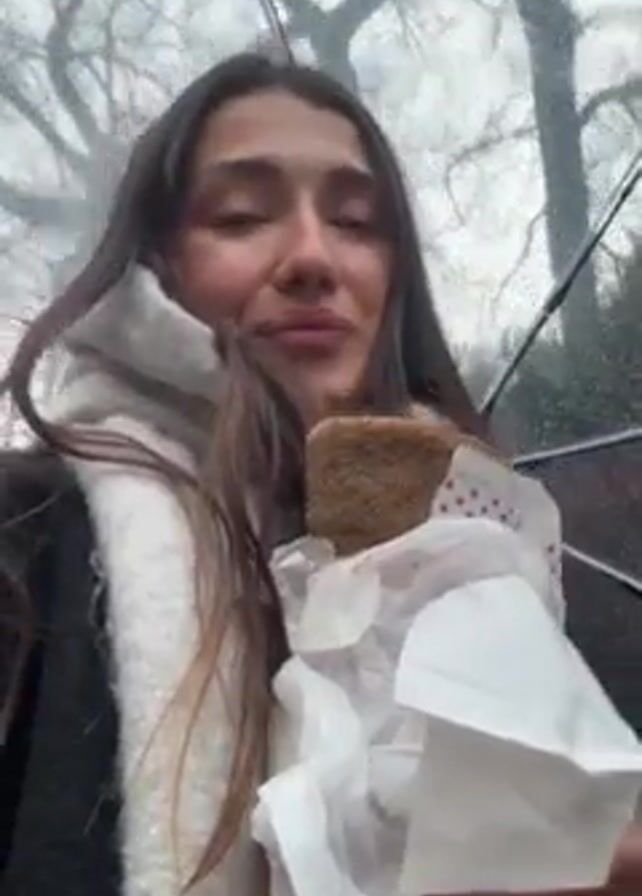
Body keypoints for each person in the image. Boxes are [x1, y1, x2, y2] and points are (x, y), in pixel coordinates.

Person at [0, 52, 640, 896]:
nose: (312, 257)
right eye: (241, 216)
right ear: (157, 263)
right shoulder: (26, 544)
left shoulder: (494, 574)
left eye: (356, 223)